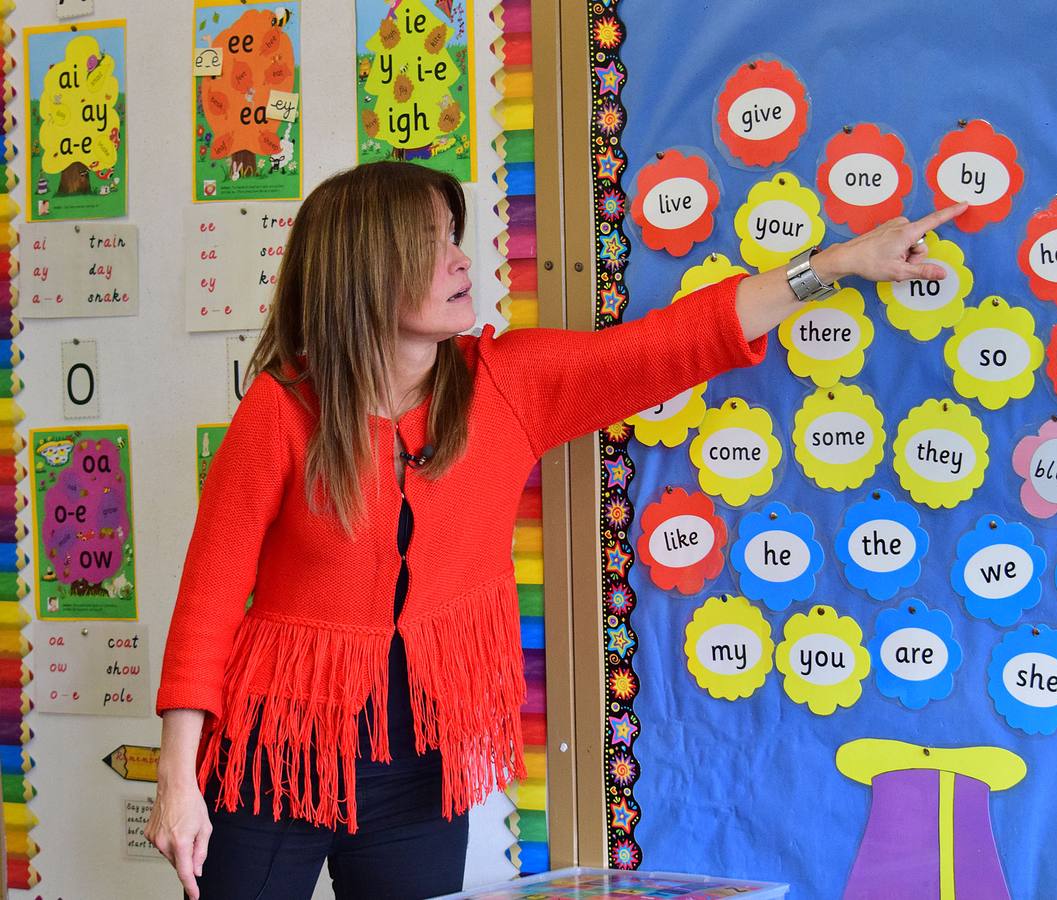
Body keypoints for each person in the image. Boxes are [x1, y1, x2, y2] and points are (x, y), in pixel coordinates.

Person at [146, 159, 963, 900]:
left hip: (421, 764)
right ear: (364, 270)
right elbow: (208, 603)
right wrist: (178, 783)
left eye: (454, 238)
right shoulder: (282, 408)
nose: (462, 260)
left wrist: (838, 263)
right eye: (433, 245)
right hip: (277, 752)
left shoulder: (507, 384)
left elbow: (670, 345)